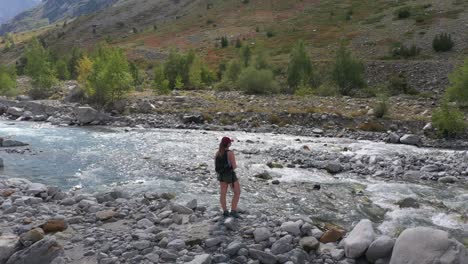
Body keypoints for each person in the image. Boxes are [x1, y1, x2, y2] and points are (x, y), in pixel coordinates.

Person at [215, 137, 241, 218]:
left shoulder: (218, 153)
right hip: (230, 175)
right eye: (230, 142)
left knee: (223, 193)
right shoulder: (230, 153)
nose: (231, 143)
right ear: (228, 144)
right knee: (237, 192)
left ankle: (225, 211)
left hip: (221, 175)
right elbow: (234, 166)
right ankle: (233, 210)